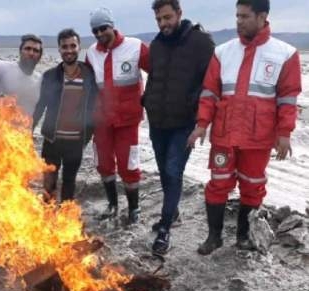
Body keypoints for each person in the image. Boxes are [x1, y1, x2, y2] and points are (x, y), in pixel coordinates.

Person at [187, 0, 302, 255]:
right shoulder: (223, 52)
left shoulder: (285, 54)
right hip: (224, 136)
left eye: (245, 17)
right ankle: (214, 237)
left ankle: (243, 236)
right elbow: (209, 93)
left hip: (258, 138)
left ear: (262, 17)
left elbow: (287, 98)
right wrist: (202, 124)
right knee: (217, 184)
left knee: (253, 186)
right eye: (237, 16)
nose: (238, 21)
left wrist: (284, 134)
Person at [143, 0, 215, 255]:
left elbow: (212, 83)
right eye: (159, 20)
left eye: (167, 18)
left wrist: (202, 119)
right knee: (164, 171)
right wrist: (147, 102)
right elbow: (153, 79)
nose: (163, 24)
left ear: (179, 14)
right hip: (158, 121)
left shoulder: (201, 42)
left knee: (173, 171)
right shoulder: (156, 45)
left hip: (183, 123)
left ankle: (165, 228)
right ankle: (172, 214)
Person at [86, 7, 150, 224]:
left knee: (128, 165)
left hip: (127, 121)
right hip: (101, 121)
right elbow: (86, 85)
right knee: (103, 164)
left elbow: (159, 72)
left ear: (112, 26)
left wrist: (150, 98)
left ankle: (134, 209)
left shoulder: (135, 47)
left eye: (103, 28)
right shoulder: (91, 53)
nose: (99, 34)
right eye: (95, 31)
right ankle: (112, 205)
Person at [32, 28, 97, 202]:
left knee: (69, 183)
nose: (69, 50)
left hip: (76, 141)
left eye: (72, 46)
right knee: (49, 182)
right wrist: (28, 130)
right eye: (64, 46)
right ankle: (46, 219)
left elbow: (94, 108)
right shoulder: (50, 76)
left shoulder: (89, 74)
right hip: (51, 140)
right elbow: (40, 106)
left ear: (79, 47)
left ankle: (65, 219)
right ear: (59, 49)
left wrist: (87, 137)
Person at [0, 34, 43, 115]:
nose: (31, 53)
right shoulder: (1, 68)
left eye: (36, 50)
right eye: (27, 49)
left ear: (39, 56)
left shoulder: (41, 81)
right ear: (20, 51)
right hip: (2, 125)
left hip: (26, 127)